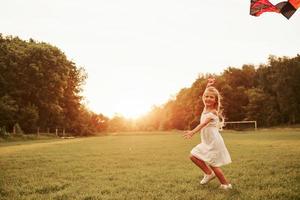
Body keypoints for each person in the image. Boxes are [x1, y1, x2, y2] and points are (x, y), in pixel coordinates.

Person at [183, 78, 232, 190]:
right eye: (206, 96)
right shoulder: (205, 108)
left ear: (215, 100)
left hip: (214, 142)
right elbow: (203, 96)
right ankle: (209, 174)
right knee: (193, 155)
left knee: (213, 164)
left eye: (211, 97)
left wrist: (192, 132)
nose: (208, 98)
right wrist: (207, 85)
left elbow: (203, 124)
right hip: (207, 141)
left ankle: (226, 185)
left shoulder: (213, 112)